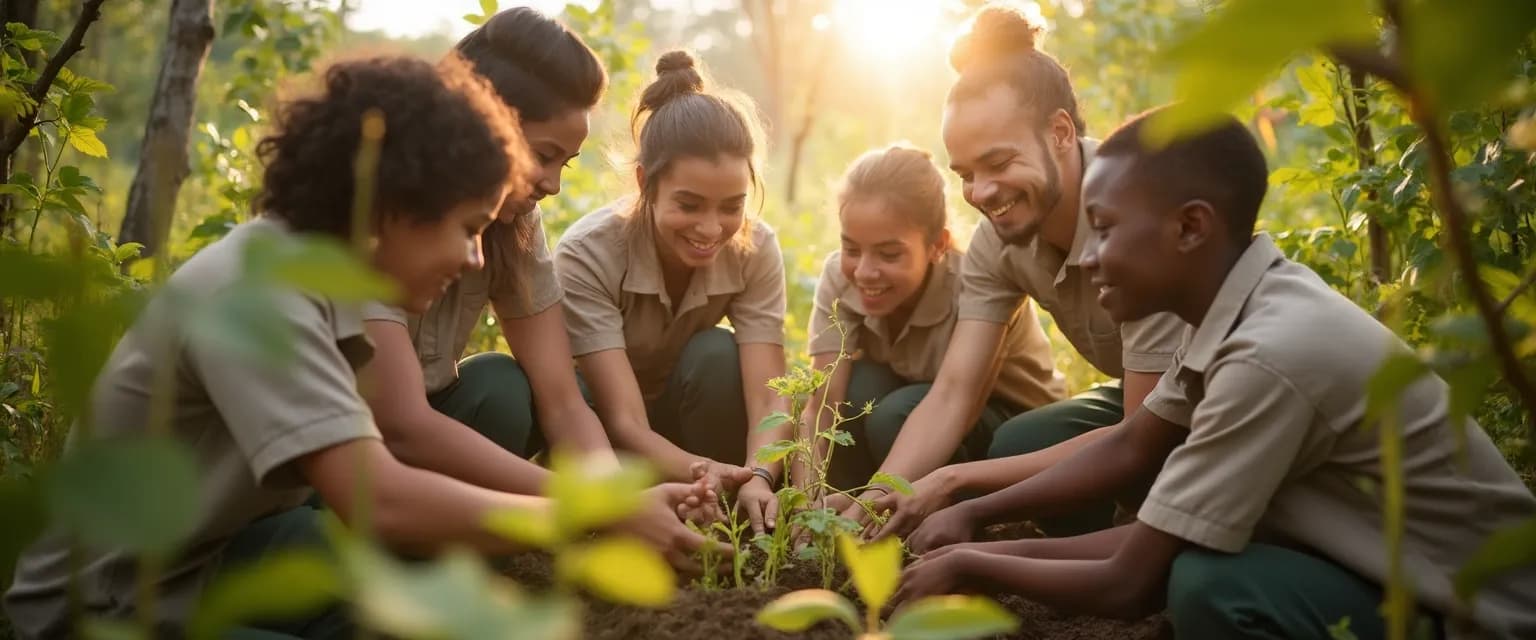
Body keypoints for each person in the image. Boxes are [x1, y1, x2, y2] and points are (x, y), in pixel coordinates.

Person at [3, 53, 719, 640]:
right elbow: (382, 499)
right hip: (105, 607)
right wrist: (595, 513)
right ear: (394, 206)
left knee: (414, 602)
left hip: (210, 553)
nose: (474, 258)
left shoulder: (315, 273)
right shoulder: (263, 292)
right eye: (467, 229)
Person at [891, 106, 1536, 640]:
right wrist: (976, 517)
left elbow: (1130, 578)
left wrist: (975, 563)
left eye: (1106, 230)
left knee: (1210, 588)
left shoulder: (1268, 355)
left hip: (1483, 617)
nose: (1088, 258)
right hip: (1380, 570)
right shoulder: (1235, 309)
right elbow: (1133, 445)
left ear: (1190, 227)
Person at [848, 4, 1190, 538]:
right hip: (1144, 403)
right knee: (1019, 442)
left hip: (1208, 405)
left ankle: (1115, 543)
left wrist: (956, 482)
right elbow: (955, 391)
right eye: (966, 173)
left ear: (1060, 132)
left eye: (999, 163)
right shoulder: (1000, 239)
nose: (981, 192)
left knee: (1028, 452)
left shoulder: (1136, 218)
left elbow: (1143, 432)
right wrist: (875, 496)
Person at [360, 7, 616, 497]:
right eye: (542, 155)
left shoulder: (515, 220)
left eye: (565, 163)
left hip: (423, 431)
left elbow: (563, 401)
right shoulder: (373, 211)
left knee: (501, 388)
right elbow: (403, 425)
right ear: (481, 125)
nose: (553, 184)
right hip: (345, 448)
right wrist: (584, 505)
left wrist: (616, 499)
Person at [554, 50, 790, 534]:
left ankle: (728, 509)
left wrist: (759, 475)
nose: (711, 228)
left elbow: (770, 395)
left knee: (715, 353)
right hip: (612, 439)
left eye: (732, 206)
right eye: (689, 205)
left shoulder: (756, 247)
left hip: (689, 421)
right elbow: (624, 422)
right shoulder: (587, 253)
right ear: (645, 183)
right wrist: (706, 472)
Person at [801, 143, 1063, 492]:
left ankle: (919, 506)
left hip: (1003, 416)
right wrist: (804, 500)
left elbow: (957, 402)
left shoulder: (975, 284)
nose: (864, 271)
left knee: (895, 414)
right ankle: (840, 502)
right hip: (920, 402)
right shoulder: (840, 277)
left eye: (889, 254)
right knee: (856, 391)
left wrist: (872, 501)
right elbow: (822, 404)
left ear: (938, 245)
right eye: (851, 249)